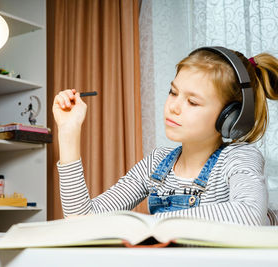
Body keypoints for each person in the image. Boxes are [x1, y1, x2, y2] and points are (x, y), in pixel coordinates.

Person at [53, 46, 278, 226]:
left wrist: (151, 223)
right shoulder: (157, 163)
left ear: (230, 116)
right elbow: (81, 219)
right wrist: (68, 132)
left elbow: (249, 215)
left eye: (192, 102)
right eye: (173, 92)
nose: (174, 107)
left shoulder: (240, 157)